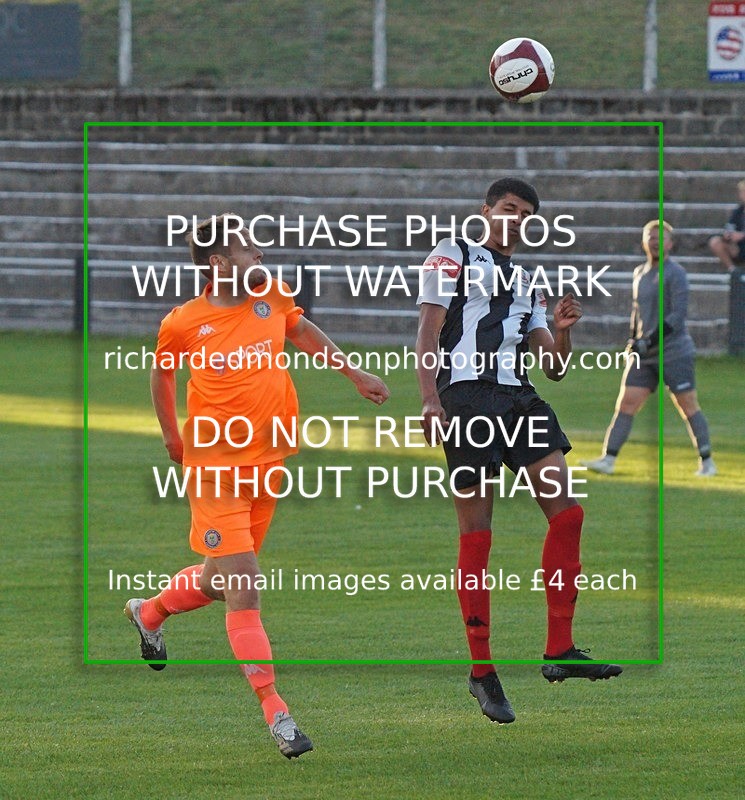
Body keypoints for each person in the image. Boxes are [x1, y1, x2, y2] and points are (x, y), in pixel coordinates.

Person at [124, 213, 389, 759]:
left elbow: (299, 328)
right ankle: (278, 713)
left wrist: (353, 372)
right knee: (245, 585)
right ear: (219, 262)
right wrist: (173, 439)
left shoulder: (268, 292)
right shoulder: (183, 322)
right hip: (215, 467)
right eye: (247, 248)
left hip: (270, 458)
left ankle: (149, 612)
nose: (260, 256)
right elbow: (162, 373)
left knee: (220, 579)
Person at [415, 178, 622, 725]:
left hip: (520, 398)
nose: (516, 219)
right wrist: (431, 400)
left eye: (525, 213)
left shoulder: (528, 280)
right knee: (478, 535)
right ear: (485, 209)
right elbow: (428, 331)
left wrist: (562, 330)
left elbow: (553, 365)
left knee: (568, 512)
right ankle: (481, 672)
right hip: (465, 397)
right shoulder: (451, 254)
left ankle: (559, 650)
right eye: (508, 208)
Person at [583, 220, 716, 478]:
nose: (655, 241)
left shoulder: (676, 274)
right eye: (650, 237)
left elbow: (677, 317)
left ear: (671, 243)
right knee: (626, 404)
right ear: (644, 241)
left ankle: (707, 461)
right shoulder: (639, 273)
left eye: (661, 238)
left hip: (674, 351)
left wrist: (649, 341)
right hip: (644, 354)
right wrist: (633, 341)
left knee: (687, 405)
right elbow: (637, 312)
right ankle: (608, 459)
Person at [708, 179, 745, 272]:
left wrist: (742, 235)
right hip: (739, 247)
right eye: (741, 192)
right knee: (715, 242)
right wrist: (728, 235)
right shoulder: (738, 211)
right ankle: (733, 271)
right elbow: (730, 226)